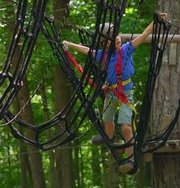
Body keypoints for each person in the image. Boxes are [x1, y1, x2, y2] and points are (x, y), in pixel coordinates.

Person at [63, 13, 167, 174]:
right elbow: (88, 51)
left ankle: (131, 160)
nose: (117, 38)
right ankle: (108, 138)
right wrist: (70, 44)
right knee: (107, 119)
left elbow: (145, 34)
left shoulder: (127, 49)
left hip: (125, 93)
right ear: (105, 43)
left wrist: (157, 21)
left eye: (117, 35)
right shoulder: (103, 55)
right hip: (111, 92)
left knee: (125, 128)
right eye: (112, 37)